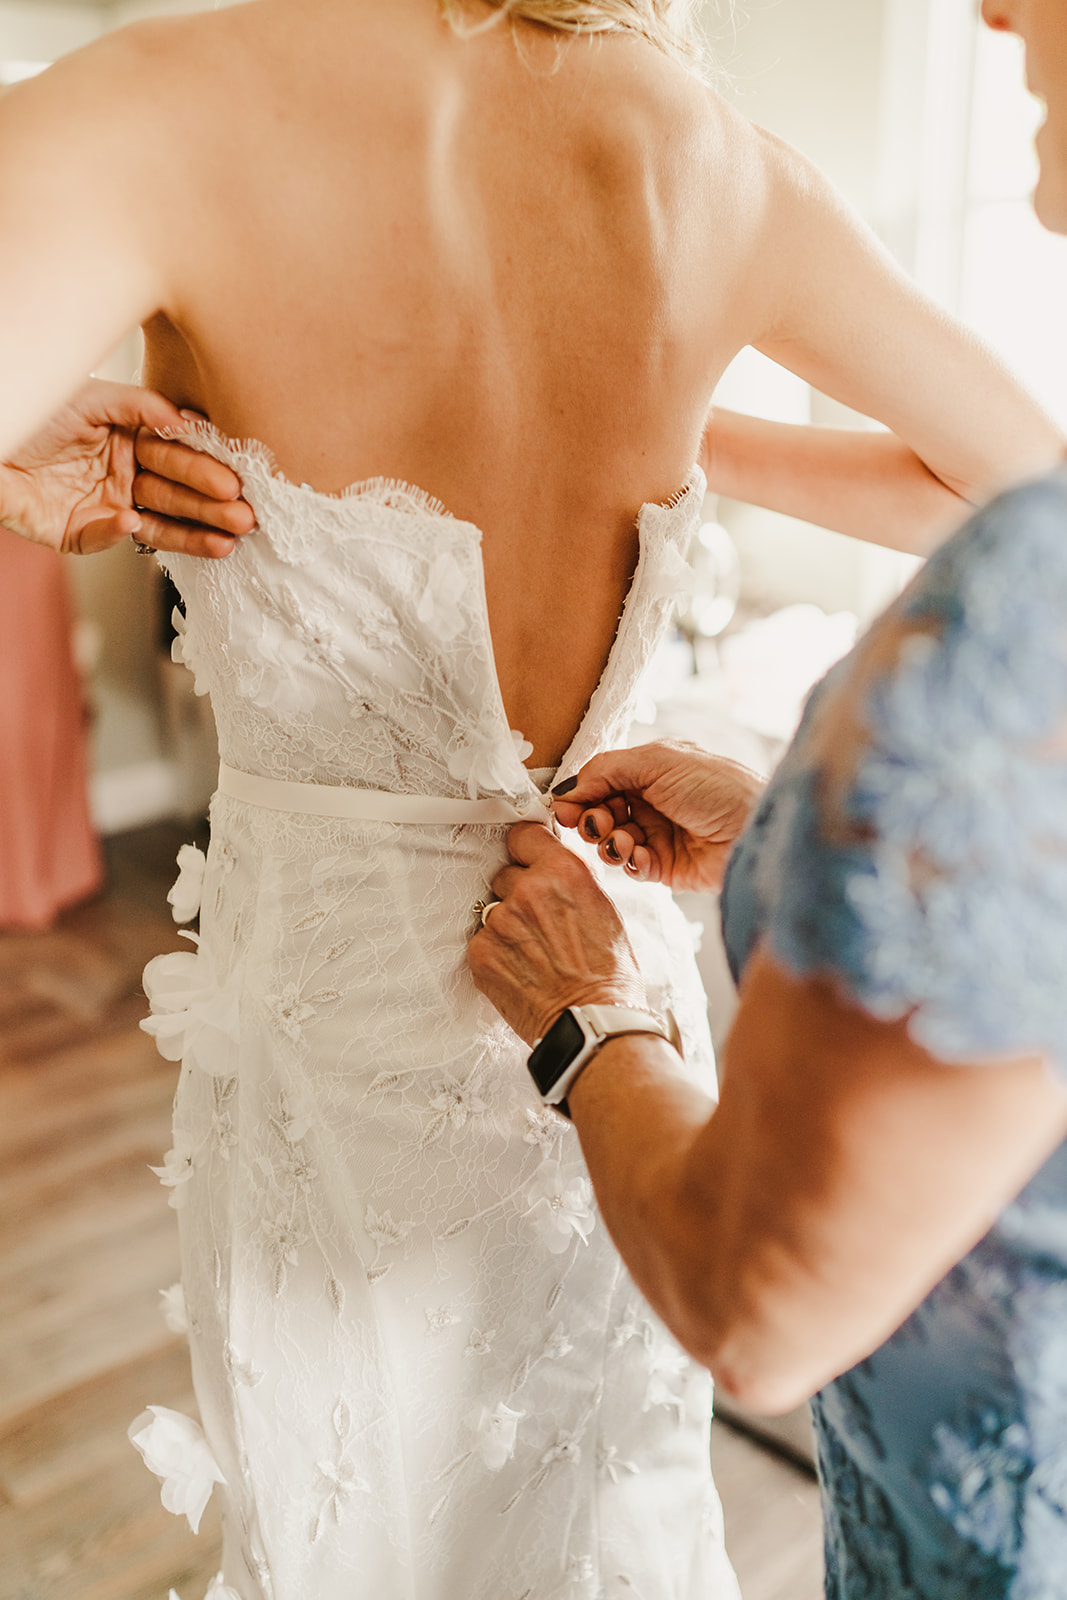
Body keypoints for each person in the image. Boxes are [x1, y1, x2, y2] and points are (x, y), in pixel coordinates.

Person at [0, 1, 1064, 1595]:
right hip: (601, 1011)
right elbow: (1014, 486)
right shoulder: (716, 163)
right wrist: (677, 426)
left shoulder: (154, 107)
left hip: (343, 1059)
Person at [469, 0, 1067, 1592]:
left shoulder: (1031, 609)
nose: (999, 8)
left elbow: (760, 1307)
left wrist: (586, 1016)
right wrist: (789, 842)